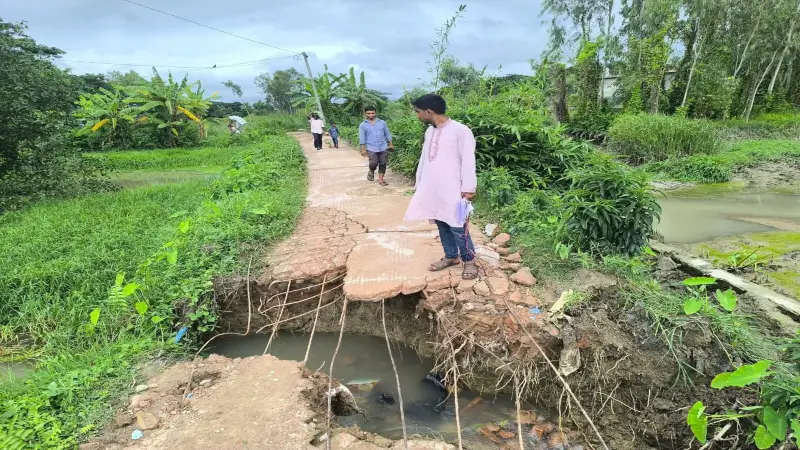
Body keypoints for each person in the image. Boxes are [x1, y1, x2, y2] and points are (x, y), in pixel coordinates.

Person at [403, 93, 478, 280]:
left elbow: (468, 161)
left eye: (418, 112)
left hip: (455, 189)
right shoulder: (430, 131)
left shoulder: (461, 131)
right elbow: (424, 160)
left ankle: (469, 260)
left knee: (459, 225)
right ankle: (451, 257)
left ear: (429, 111)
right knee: (442, 223)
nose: (417, 115)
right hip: (434, 189)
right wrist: (420, 183)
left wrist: (468, 188)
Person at [358, 106, 393, 185]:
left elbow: (387, 133)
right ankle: (371, 170)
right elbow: (362, 138)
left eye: (373, 113)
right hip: (371, 148)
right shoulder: (363, 125)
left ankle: (381, 180)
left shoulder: (382, 122)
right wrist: (363, 149)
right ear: (365, 113)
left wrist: (390, 144)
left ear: (375, 113)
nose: (371, 115)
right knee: (373, 163)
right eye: (369, 113)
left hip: (383, 146)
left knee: (383, 163)